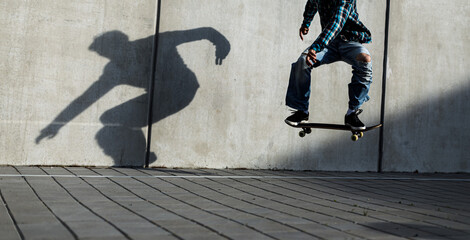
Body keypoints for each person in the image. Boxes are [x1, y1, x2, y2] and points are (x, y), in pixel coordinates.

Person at [285, 0, 372, 130]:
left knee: (365, 59)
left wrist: (315, 47)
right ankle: (301, 112)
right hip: (329, 45)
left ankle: (352, 113)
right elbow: (311, 5)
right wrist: (306, 23)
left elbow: (337, 23)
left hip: (349, 41)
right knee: (303, 62)